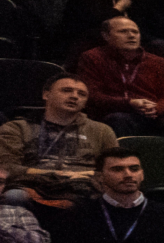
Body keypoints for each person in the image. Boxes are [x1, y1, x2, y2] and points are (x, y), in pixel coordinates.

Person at [75, 15, 164, 141]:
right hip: (116, 111)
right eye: (123, 31)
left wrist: (156, 108)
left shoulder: (160, 62)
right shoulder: (92, 58)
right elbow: (92, 95)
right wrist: (129, 103)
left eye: (135, 32)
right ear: (106, 36)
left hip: (155, 114)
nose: (131, 36)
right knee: (118, 119)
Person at [0, 75, 118, 204]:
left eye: (82, 94)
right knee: (14, 196)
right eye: (66, 90)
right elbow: (7, 167)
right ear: (46, 95)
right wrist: (58, 174)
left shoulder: (102, 131)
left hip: (85, 187)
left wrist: (89, 175)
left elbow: (115, 167)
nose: (75, 96)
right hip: (33, 185)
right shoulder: (17, 127)